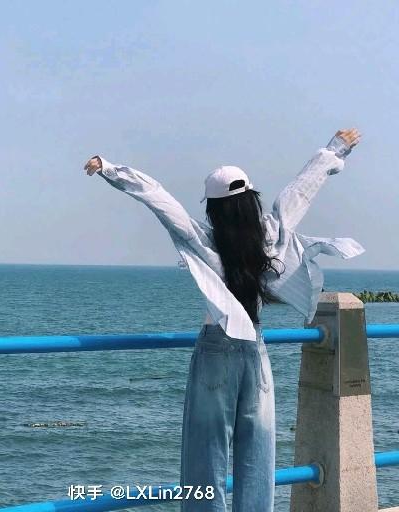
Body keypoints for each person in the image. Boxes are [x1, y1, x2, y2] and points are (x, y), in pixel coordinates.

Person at [83, 128, 363, 511]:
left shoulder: (203, 241)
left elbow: (159, 199)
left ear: (213, 210)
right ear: (251, 201)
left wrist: (109, 168)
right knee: (258, 455)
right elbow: (300, 191)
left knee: (205, 455)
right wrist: (336, 148)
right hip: (255, 351)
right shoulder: (270, 236)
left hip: (216, 350)